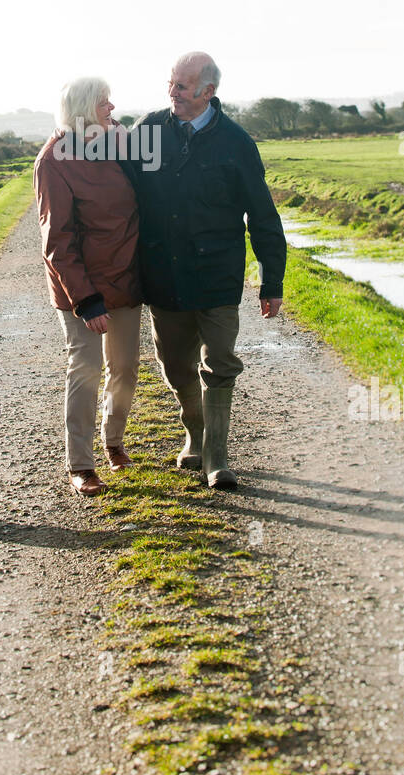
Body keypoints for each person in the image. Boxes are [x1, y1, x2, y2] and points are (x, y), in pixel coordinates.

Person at [130, 52, 286, 489]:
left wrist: (272, 281)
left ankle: (217, 456)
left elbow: (263, 215)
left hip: (217, 274)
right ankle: (195, 433)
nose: (172, 93)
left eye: (182, 86)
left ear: (208, 92)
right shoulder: (148, 130)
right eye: (171, 84)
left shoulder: (236, 143)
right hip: (163, 274)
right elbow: (116, 184)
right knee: (175, 364)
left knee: (219, 362)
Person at [33, 78, 142, 497]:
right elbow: (57, 240)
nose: (112, 107)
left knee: (126, 369)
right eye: (103, 103)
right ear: (81, 110)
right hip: (79, 288)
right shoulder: (53, 161)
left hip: (125, 278)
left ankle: (113, 439)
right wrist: (87, 299)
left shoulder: (119, 144)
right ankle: (80, 464)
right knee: (86, 369)